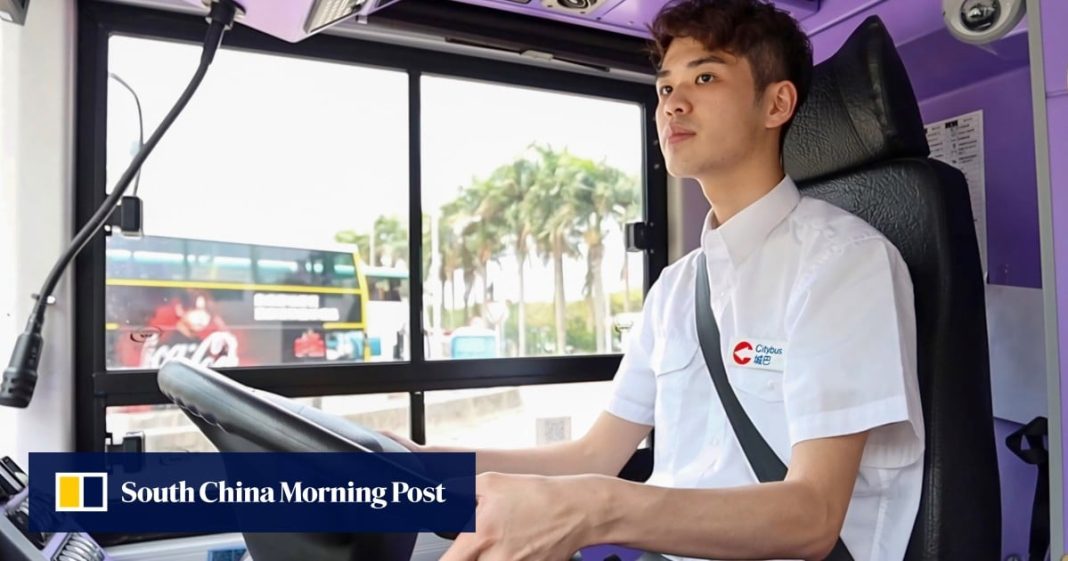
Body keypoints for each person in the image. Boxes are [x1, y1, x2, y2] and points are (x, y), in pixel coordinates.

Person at [385, 1, 924, 559]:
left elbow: (811, 517)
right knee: (362, 522)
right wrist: (414, 460)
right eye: (665, 88)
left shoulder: (844, 263)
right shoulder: (676, 287)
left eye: (706, 77)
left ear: (777, 103)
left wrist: (596, 509)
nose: (673, 105)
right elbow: (590, 458)